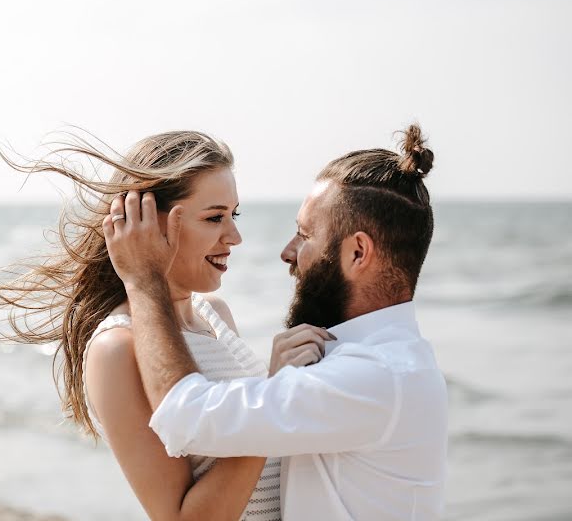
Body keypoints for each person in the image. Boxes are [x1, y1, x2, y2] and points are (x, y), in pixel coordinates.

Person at [103, 125, 448, 520]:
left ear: (357, 253)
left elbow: (186, 415)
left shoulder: (371, 374)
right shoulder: (366, 361)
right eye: (216, 217)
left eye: (304, 235)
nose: (287, 252)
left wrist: (144, 280)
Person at [0, 130, 297, 520]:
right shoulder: (116, 348)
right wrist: (273, 402)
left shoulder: (215, 314)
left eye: (234, 215)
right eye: (215, 217)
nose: (235, 236)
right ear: (144, 223)